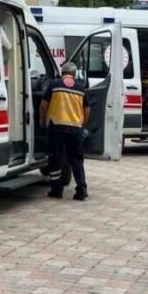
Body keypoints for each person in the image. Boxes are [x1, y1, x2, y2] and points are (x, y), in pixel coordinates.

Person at [39, 62, 90, 201]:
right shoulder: (80, 88)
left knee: (55, 158)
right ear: (74, 74)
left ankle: (57, 190)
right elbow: (87, 110)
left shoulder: (54, 85)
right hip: (75, 128)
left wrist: (43, 121)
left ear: (62, 72)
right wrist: (82, 125)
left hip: (56, 126)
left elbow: (44, 105)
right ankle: (81, 188)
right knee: (76, 160)